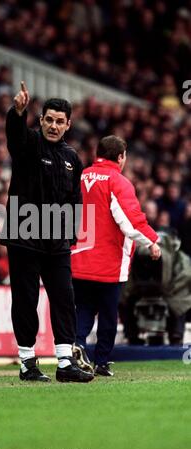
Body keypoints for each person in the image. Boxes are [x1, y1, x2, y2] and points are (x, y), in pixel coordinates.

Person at [2, 81, 93, 383]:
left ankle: (65, 361)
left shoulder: (72, 159)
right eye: (48, 120)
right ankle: (27, 362)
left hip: (56, 241)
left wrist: (70, 236)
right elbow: (14, 138)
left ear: (68, 125)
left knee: (65, 298)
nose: (53, 126)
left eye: (59, 121)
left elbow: (75, 201)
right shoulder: (27, 144)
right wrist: (18, 112)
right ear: (40, 121)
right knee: (26, 299)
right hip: (24, 236)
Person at [71, 135, 161, 376]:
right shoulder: (117, 181)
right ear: (120, 157)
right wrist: (152, 240)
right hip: (108, 262)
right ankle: (101, 361)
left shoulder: (78, 176)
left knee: (84, 309)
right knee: (109, 313)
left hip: (77, 257)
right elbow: (130, 222)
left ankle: (77, 346)